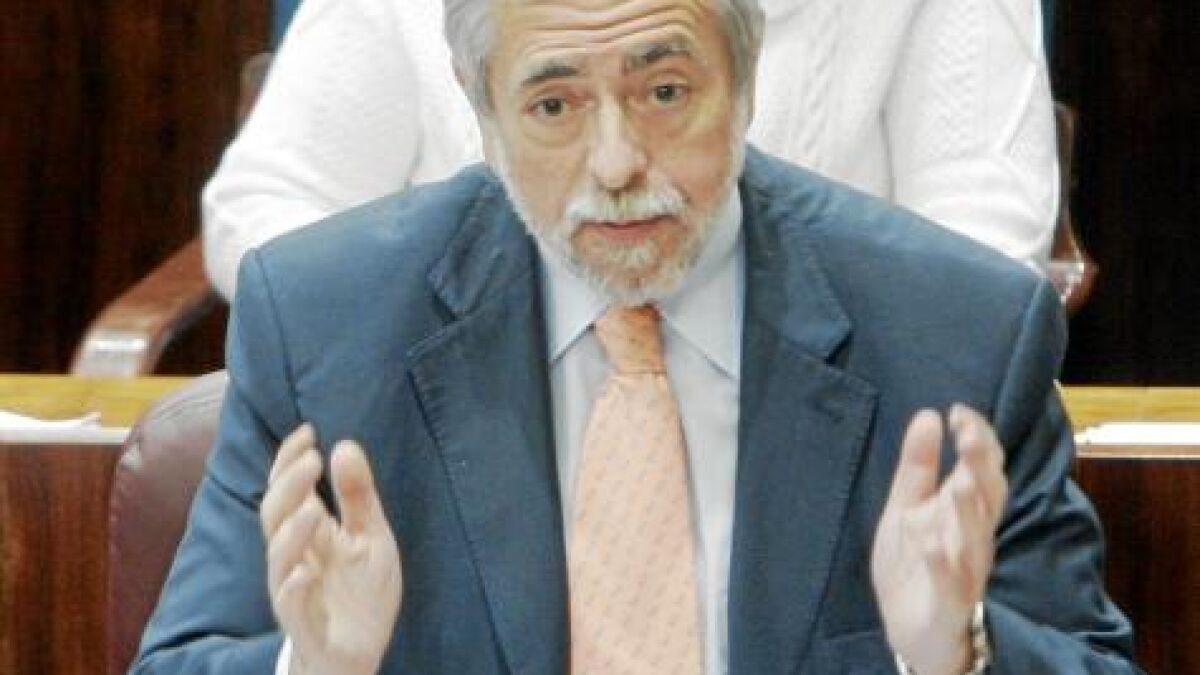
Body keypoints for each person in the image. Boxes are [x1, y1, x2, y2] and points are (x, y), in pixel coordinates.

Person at [134, 0, 1137, 673]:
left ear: (743, 86)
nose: (615, 163)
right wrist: (314, 667)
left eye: (664, 92)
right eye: (554, 104)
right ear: (485, 116)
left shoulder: (956, 334)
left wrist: (957, 653)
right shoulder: (323, 327)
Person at [202, 0, 1059, 300]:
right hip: (469, 422)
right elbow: (267, 210)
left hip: (816, 414)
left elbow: (981, 252)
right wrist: (441, 336)